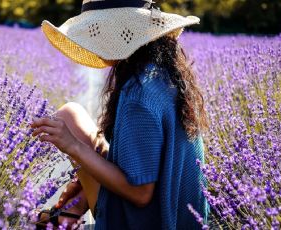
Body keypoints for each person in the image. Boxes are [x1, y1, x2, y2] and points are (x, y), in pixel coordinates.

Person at [31, 0, 209, 229]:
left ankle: (68, 215)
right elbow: (136, 161)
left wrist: (72, 146)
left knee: (68, 122)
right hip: (185, 219)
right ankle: (73, 210)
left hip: (149, 222)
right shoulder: (161, 73)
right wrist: (83, 184)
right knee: (70, 115)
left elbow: (140, 192)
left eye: (95, 32)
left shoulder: (139, 95)